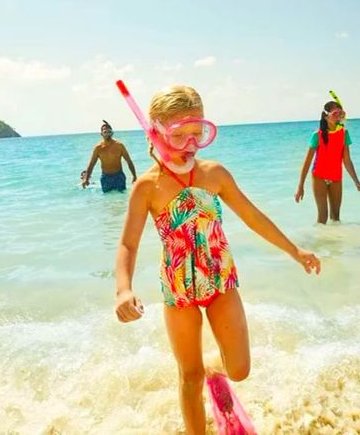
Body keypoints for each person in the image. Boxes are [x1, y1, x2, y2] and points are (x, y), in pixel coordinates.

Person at [114, 84, 321, 434]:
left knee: (239, 370)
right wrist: (123, 289)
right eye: (180, 135)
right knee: (189, 375)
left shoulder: (215, 175)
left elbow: (253, 217)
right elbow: (128, 246)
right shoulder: (147, 188)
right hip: (178, 290)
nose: (191, 145)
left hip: (220, 280)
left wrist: (294, 250)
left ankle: (216, 372)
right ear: (156, 132)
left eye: (199, 134)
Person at [294, 100, 360, 223]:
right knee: (323, 216)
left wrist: (356, 181)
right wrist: (300, 186)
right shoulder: (317, 135)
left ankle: (336, 240)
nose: (338, 116)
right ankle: (321, 241)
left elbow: (346, 160)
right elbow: (307, 162)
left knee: (336, 217)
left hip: (336, 177)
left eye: (340, 113)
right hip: (319, 176)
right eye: (335, 113)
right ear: (326, 116)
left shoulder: (344, 133)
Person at [81, 120, 137, 191]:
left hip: (119, 176)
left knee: (121, 198)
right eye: (105, 132)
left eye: (109, 132)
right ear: (101, 134)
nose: (107, 134)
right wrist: (86, 178)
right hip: (105, 177)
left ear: (112, 133)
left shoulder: (119, 145)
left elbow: (129, 161)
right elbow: (91, 164)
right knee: (107, 200)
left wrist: (134, 176)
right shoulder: (98, 148)